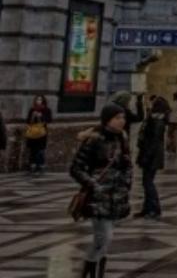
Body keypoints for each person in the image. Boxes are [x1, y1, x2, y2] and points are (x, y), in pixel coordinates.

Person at [70, 103, 133, 278]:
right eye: (117, 118)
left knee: (105, 240)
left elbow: (128, 164)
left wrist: (127, 182)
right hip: (98, 197)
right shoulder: (94, 140)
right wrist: (94, 185)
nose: (122, 121)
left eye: (123, 117)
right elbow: (76, 168)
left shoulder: (122, 138)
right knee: (104, 237)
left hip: (117, 196)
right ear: (107, 120)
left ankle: (97, 272)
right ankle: (88, 270)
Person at [135, 96, 169, 219]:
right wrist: (140, 103)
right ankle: (147, 208)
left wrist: (147, 156)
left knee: (148, 182)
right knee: (146, 182)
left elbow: (153, 141)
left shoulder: (157, 122)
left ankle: (154, 209)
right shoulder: (153, 119)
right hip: (150, 154)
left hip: (152, 156)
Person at [25, 95, 53, 174]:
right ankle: (32, 165)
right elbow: (28, 121)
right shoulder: (32, 109)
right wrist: (33, 116)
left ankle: (40, 165)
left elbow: (49, 120)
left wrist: (41, 116)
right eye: (37, 99)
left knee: (40, 150)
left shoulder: (47, 110)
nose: (39, 101)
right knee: (32, 150)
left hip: (41, 133)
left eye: (40, 99)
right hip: (32, 132)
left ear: (43, 101)